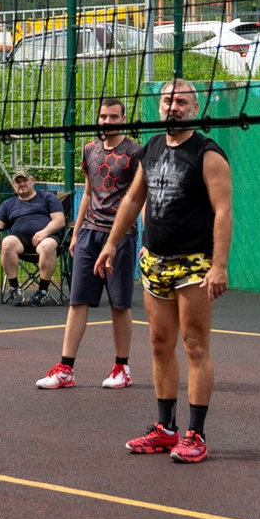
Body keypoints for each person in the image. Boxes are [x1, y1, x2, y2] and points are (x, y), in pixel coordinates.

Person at [94, 79, 231, 463]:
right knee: (158, 344)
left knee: (195, 345)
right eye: (168, 101)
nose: (173, 107)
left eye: (182, 102)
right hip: (154, 261)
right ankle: (166, 429)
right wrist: (111, 243)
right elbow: (134, 197)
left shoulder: (208, 153)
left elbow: (223, 211)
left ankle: (196, 435)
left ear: (194, 107)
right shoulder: (151, 148)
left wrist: (219, 266)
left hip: (193, 264)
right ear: (159, 107)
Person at [37, 96, 140, 389]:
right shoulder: (89, 149)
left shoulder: (134, 152)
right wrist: (77, 231)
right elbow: (87, 192)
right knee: (77, 301)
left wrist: (150, 236)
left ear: (123, 118)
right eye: (103, 117)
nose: (107, 121)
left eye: (113, 117)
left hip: (120, 236)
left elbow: (139, 196)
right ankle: (66, 369)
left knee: (119, 304)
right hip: (89, 235)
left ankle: (122, 368)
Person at [0, 172, 65, 302]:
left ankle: (42, 290)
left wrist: (44, 232)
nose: (21, 184)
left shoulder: (47, 197)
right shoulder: (8, 204)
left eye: (24, 180)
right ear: (14, 185)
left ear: (33, 181)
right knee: (7, 242)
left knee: (47, 245)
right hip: (20, 239)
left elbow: (59, 220)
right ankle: (14, 289)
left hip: (46, 237)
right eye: (18, 182)